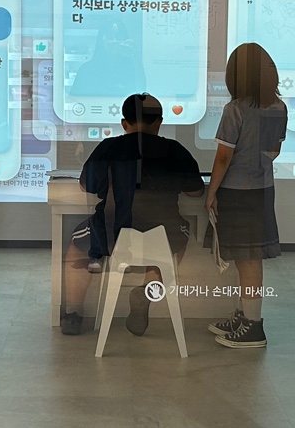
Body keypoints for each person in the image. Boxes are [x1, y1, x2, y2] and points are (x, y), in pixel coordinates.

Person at [61, 93, 204, 336]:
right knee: (175, 244)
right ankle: (147, 289)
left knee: (77, 245)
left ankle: (73, 313)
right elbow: (196, 192)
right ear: (159, 123)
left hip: (113, 236)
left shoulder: (108, 147)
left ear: (124, 123)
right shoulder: (175, 150)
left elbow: (86, 185)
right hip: (162, 234)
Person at [206, 43, 287, 349]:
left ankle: (253, 326)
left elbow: (223, 156)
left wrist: (212, 192)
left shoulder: (235, 109)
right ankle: (244, 317)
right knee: (247, 259)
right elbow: (274, 150)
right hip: (263, 190)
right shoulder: (279, 107)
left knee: (248, 260)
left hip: (237, 193)